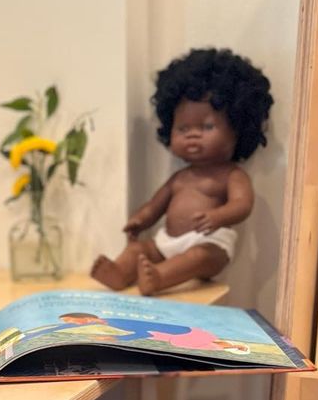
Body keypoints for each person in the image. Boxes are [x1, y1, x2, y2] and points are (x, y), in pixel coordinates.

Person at [90, 48, 272, 296]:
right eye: (183, 128)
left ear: (238, 129)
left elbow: (243, 204)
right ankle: (120, 273)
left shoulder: (231, 175)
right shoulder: (181, 178)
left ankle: (159, 278)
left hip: (210, 241)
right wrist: (141, 220)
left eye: (207, 126)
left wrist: (219, 216)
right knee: (138, 250)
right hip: (166, 242)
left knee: (198, 257)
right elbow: (156, 205)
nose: (193, 134)